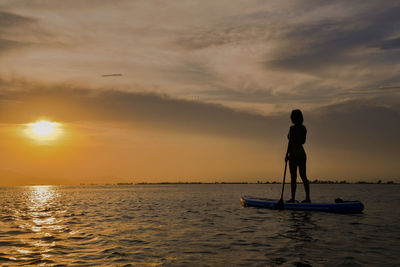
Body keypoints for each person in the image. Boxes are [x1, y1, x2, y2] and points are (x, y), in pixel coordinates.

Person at [285, 109, 311, 203]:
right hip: (302, 153)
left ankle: (292, 198)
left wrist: (286, 154)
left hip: (294, 154)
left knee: (293, 177)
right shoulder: (304, 128)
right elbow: (303, 141)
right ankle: (308, 198)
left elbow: (290, 142)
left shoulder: (292, 128)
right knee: (303, 176)